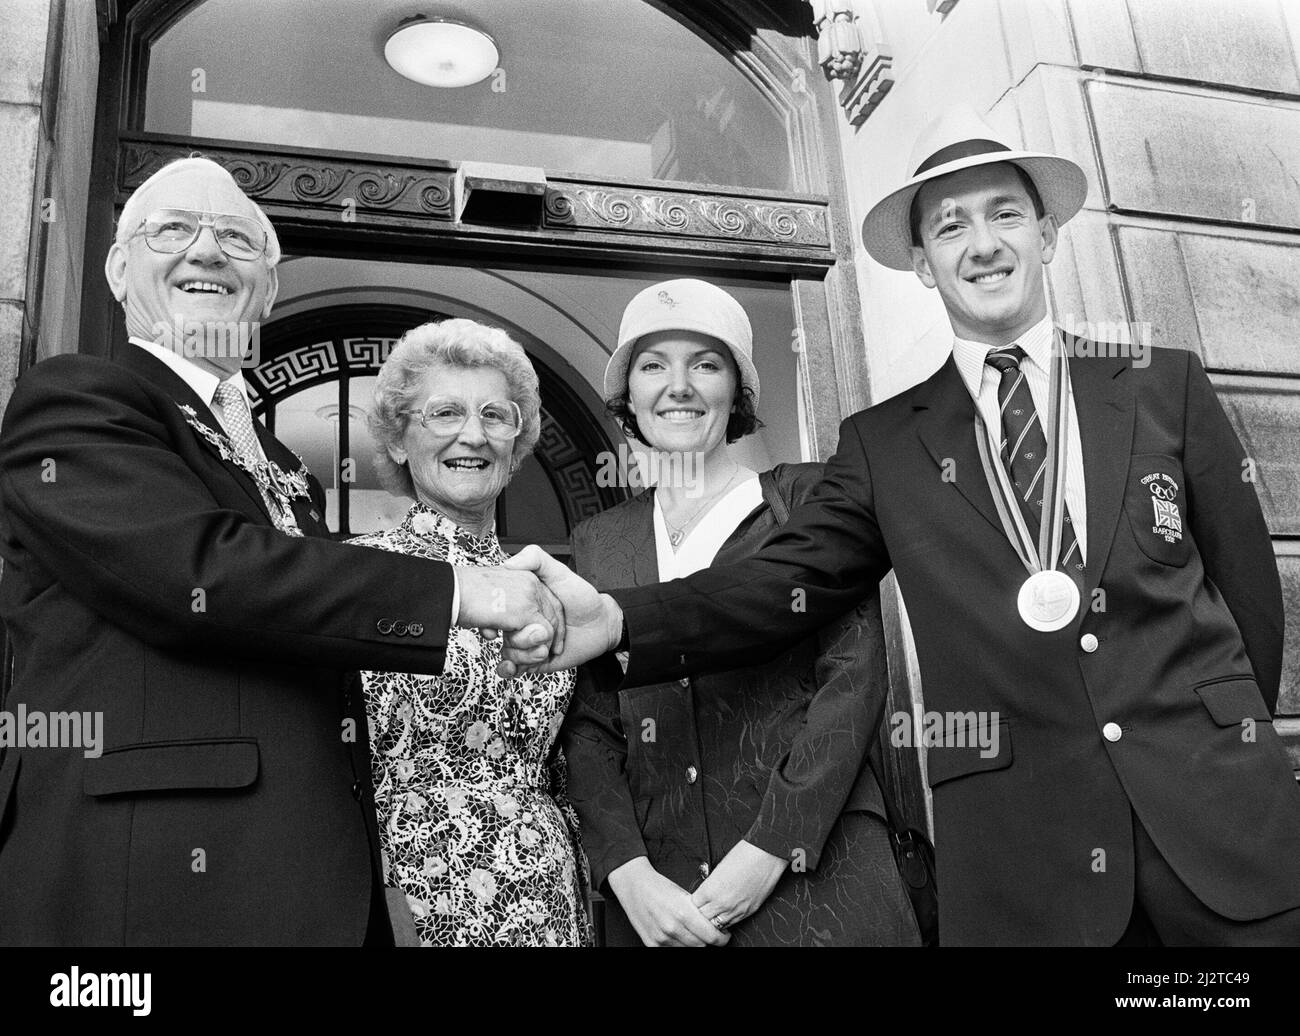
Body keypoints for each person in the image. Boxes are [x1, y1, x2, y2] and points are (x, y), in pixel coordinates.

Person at [502, 106, 1300, 946]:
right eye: (950, 227)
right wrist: (623, 619)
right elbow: (780, 586)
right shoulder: (882, 445)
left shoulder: (1160, 385)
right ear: (923, 263)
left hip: (1222, 829)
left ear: (1048, 234)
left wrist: (1226, 736)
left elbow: (1252, 601)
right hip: (1029, 861)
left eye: (1005, 214)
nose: (981, 244)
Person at [0, 157, 561, 945]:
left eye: (235, 237)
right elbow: (202, 573)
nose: (205, 251)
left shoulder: (275, 457)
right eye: (173, 229)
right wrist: (461, 593)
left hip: (305, 884)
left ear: (265, 287)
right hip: (144, 879)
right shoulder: (77, 397)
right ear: (120, 270)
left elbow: (304, 631)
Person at [562, 280, 919, 947]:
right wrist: (628, 875)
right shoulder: (597, 542)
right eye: (652, 366)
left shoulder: (811, 500)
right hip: (663, 904)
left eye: (705, 363)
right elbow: (588, 726)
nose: (679, 386)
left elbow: (853, 683)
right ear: (628, 398)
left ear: (738, 391)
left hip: (818, 881)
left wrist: (771, 850)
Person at [349, 319, 589, 946]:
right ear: (400, 440)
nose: (473, 435)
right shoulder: (351, 574)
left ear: (518, 442)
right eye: (445, 413)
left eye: (495, 415)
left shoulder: (553, 585)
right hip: (406, 897)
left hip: (548, 898)